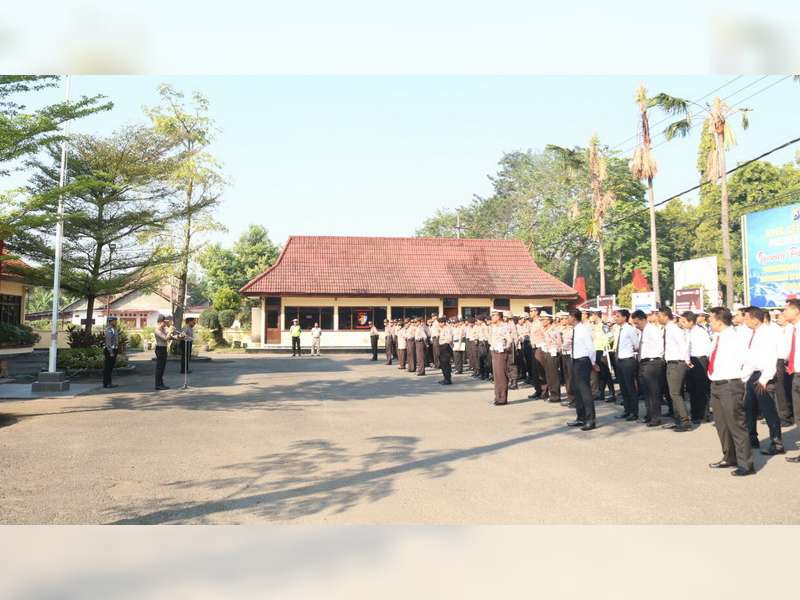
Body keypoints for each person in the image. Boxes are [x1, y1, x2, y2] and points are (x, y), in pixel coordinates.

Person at [706, 306, 753, 476]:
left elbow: (749, 362)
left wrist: (739, 380)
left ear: (719, 321)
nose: (709, 322)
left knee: (736, 424)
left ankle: (746, 464)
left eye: (711, 319)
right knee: (722, 424)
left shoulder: (735, 337)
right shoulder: (717, 337)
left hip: (730, 385)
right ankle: (729, 456)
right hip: (716, 384)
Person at [741, 306, 784, 455]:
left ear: (755, 319)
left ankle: (777, 443)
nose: (745, 320)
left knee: (768, 410)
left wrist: (765, 379)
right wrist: (744, 377)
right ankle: (752, 438)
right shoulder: (753, 333)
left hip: (764, 376)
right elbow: (751, 358)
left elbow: (771, 357)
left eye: (747, 318)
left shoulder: (767, 333)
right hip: (752, 375)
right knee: (749, 408)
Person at [659, 307, 692, 432]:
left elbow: (683, 345)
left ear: (665, 316)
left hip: (677, 363)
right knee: (675, 393)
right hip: (673, 363)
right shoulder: (669, 328)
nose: (658, 318)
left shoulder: (673, 329)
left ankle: (685, 421)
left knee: (675, 393)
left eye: (659, 316)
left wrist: (687, 361)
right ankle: (678, 420)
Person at [566, 309, 598, 430]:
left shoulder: (583, 330)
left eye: (568, 317)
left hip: (583, 361)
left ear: (574, 318)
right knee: (577, 390)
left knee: (585, 391)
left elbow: (591, 348)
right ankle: (581, 417)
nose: (567, 319)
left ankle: (590, 420)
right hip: (575, 361)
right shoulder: (575, 329)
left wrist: (593, 363)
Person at [637, 307, 666, 427]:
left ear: (643, 320)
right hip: (644, 363)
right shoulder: (643, 331)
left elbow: (660, 345)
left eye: (637, 323)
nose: (636, 326)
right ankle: (649, 415)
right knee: (647, 392)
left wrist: (656, 359)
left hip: (652, 362)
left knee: (654, 392)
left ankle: (656, 417)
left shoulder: (652, 330)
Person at [682, 311, 712, 424]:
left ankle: (703, 414)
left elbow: (708, 348)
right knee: (692, 389)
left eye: (684, 322)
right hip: (692, 360)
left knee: (701, 389)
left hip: (700, 360)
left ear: (691, 321)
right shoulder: (688, 332)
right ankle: (695, 413)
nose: (682, 324)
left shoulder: (700, 332)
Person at [613, 309, 640, 421]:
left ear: (624, 317)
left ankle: (634, 412)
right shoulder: (619, 329)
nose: (616, 318)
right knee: (623, 387)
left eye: (618, 316)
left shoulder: (629, 329)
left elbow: (636, 344)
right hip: (619, 360)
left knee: (630, 387)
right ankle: (627, 410)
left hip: (628, 360)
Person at [783, 299, 800, 463]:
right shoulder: (791, 330)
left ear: (796, 311)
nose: (783, 313)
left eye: (786, 309)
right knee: (798, 415)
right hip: (796, 376)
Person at [488, 310, 512, 405]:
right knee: (497, 376)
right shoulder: (494, 327)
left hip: (501, 353)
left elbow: (509, 340)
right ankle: (497, 397)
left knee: (501, 375)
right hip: (494, 351)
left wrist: (505, 347)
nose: (492, 317)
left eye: (493, 315)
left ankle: (502, 398)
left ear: (498, 317)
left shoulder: (504, 326)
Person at [154, 315, 181, 391]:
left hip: (163, 349)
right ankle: (158, 385)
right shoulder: (157, 330)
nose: (165, 324)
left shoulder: (163, 329)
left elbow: (170, 337)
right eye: (164, 322)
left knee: (162, 368)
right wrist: (170, 330)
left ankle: (161, 384)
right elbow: (165, 338)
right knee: (160, 368)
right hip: (160, 349)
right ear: (160, 322)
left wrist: (178, 337)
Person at [102, 315, 119, 389]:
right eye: (114, 321)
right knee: (108, 368)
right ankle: (106, 383)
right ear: (110, 322)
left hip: (114, 350)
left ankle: (109, 382)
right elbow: (108, 342)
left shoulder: (114, 329)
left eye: (115, 321)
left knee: (110, 368)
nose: (115, 322)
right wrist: (111, 352)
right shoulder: (109, 330)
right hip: (110, 350)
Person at [437, 316, 454, 385]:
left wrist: (444, 343)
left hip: (445, 347)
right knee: (443, 364)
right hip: (442, 346)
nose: (439, 324)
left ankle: (448, 380)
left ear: (443, 323)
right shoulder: (442, 329)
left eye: (440, 323)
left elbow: (449, 339)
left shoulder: (447, 329)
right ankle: (445, 378)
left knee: (446, 364)